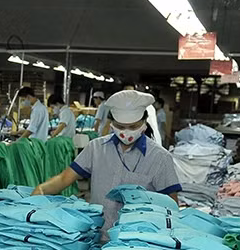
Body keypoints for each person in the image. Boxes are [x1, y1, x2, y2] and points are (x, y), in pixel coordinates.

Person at [33, 90, 181, 234]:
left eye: (133, 127)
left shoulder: (160, 157)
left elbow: (172, 206)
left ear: (144, 122)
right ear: (112, 123)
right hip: (96, 235)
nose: (126, 132)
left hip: (136, 241)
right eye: (121, 126)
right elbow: (64, 178)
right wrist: (42, 189)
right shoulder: (96, 148)